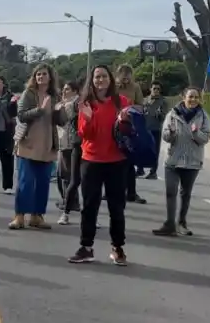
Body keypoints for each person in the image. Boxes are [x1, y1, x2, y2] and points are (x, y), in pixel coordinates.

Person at [68, 65, 130, 266]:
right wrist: (87, 118)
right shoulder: (86, 103)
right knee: (89, 207)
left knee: (117, 207)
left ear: (110, 79)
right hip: (91, 161)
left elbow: (131, 131)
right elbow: (84, 134)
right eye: (97, 77)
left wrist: (125, 121)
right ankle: (86, 247)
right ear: (92, 81)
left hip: (117, 161)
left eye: (104, 76)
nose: (100, 80)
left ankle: (117, 248)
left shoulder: (122, 102)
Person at [9, 64, 65, 230]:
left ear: (50, 77)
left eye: (44, 74)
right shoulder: (29, 94)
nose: (41, 77)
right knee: (25, 182)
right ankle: (19, 216)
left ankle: (37, 216)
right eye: (38, 74)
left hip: (48, 145)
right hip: (28, 143)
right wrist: (39, 110)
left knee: (43, 183)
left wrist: (61, 111)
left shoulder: (54, 95)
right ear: (34, 77)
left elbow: (61, 121)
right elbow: (21, 115)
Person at [152, 87, 210, 237]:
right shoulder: (172, 114)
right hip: (173, 160)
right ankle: (169, 224)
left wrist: (195, 132)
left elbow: (205, 138)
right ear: (183, 97)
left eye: (196, 97)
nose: (193, 100)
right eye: (190, 97)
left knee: (186, 194)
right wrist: (170, 133)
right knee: (171, 192)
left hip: (192, 162)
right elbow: (165, 136)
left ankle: (182, 222)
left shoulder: (203, 116)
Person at [115, 64, 146, 203]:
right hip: (113, 126)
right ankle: (113, 191)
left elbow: (141, 105)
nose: (126, 77)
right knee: (113, 161)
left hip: (129, 126)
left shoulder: (135, 87)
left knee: (129, 161)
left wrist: (130, 108)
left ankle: (131, 193)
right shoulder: (113, 87)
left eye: (128, 74)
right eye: (123, 74)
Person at [56, 80, 82, 225]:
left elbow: (65, 118)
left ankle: (71, 203)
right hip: (63, 143)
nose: (64, 92)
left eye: (67, 89)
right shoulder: (64, 104)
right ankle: (69, 201)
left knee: (70, 177)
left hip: (71, 144)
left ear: (75, 91)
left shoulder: (75, 104)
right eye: (63, 89)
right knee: (63, 175)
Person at [143, 81, 168, 180]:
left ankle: (153, 172)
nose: (156, 90)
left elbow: (164, 117)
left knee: (155, 151)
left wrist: (160, 113)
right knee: (142, 149)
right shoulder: (145, 100)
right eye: (154, 88)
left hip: (156, 129)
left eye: (158, 89)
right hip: (145, 129)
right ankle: (140, 169)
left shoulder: (163, 101)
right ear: (150, 89)